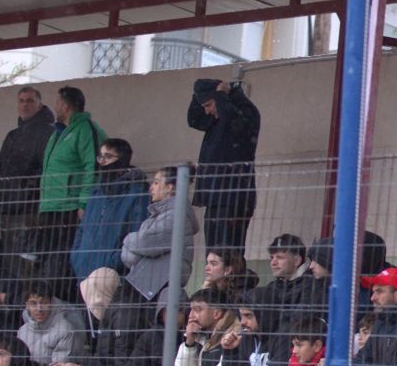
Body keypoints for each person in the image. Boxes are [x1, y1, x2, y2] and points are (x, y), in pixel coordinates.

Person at [36, 87, 107, 296]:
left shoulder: (85, 129)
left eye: (57, 102)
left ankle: (66, 301)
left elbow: (92, 166)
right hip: (51, 206)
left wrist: (84, 203)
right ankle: (51, 301)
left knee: (63, 262)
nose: (54, 106)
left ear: (65, 106)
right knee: (48, 261)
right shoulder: (58, 133)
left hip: (69, 207)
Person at [188, 77, 261, 258]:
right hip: (215, 196)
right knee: (214, 255)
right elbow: (194, 120)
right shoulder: (216, 119)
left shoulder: (245, 112)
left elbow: (233, 121)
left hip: (233, 196)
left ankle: (231, 278)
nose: (207, 111)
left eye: (209, 105)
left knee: (229, 255)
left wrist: (220, 95)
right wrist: (198, 95)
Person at [0, 87, 54, 265]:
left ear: (39, 105)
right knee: (10, 258)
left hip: (30, 207)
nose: (25, 105)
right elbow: (0, 164)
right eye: (21, 101)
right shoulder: (13, 135)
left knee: (26, 260)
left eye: (30, 101)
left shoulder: (48, 132)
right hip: (8, 205)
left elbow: (46, 168)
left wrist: (27, 187)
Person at [70, 138, 147, 282]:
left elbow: (137, 236)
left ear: (122, 159)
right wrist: (77, 257)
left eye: (108, 156)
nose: (102, 161)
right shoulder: (96, 192)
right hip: (84, 272)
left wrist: (113, 261)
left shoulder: (137, 194)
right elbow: (82, 229)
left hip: (113, 276)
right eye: (100, 156)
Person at [121, 165, 199, 304]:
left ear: (169, 187)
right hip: (152, 282)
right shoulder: (158, 216)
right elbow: (130, 257)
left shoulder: (176, 216)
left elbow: (144, 242)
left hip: (160, 283)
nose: (151, 188)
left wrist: (127, 239)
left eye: (156, 183)